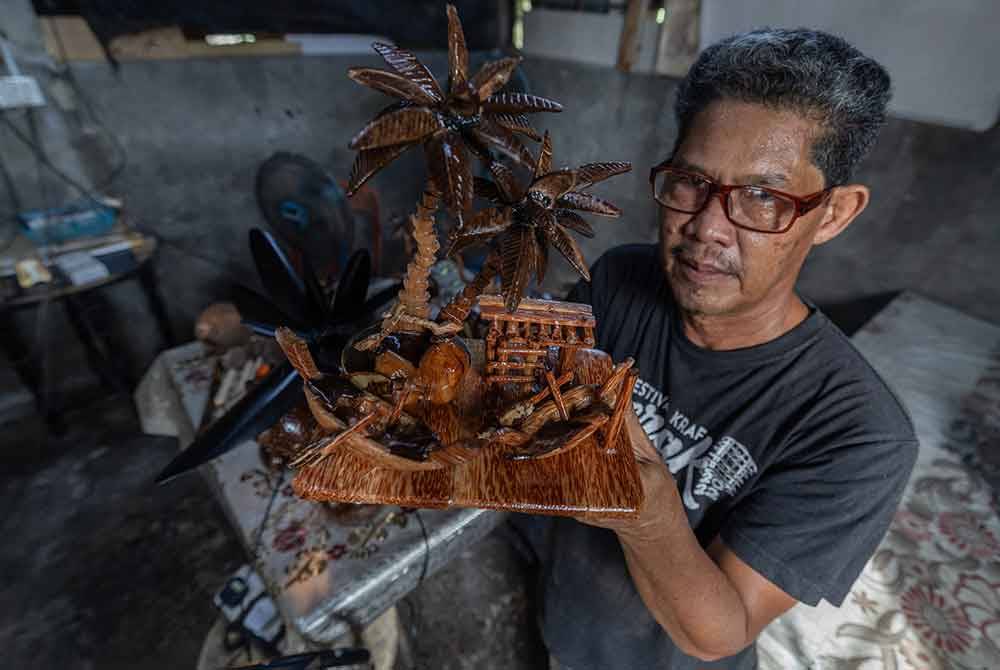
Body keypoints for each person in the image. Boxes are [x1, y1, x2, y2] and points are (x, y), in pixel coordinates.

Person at [520, 27, 919, 670]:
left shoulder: (860, 435)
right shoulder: (621, 278)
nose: (706, 228)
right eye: (688, 182)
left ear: (837, 213)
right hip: (562, 620)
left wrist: (642, 504)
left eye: (763, 197)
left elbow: (716, 633)